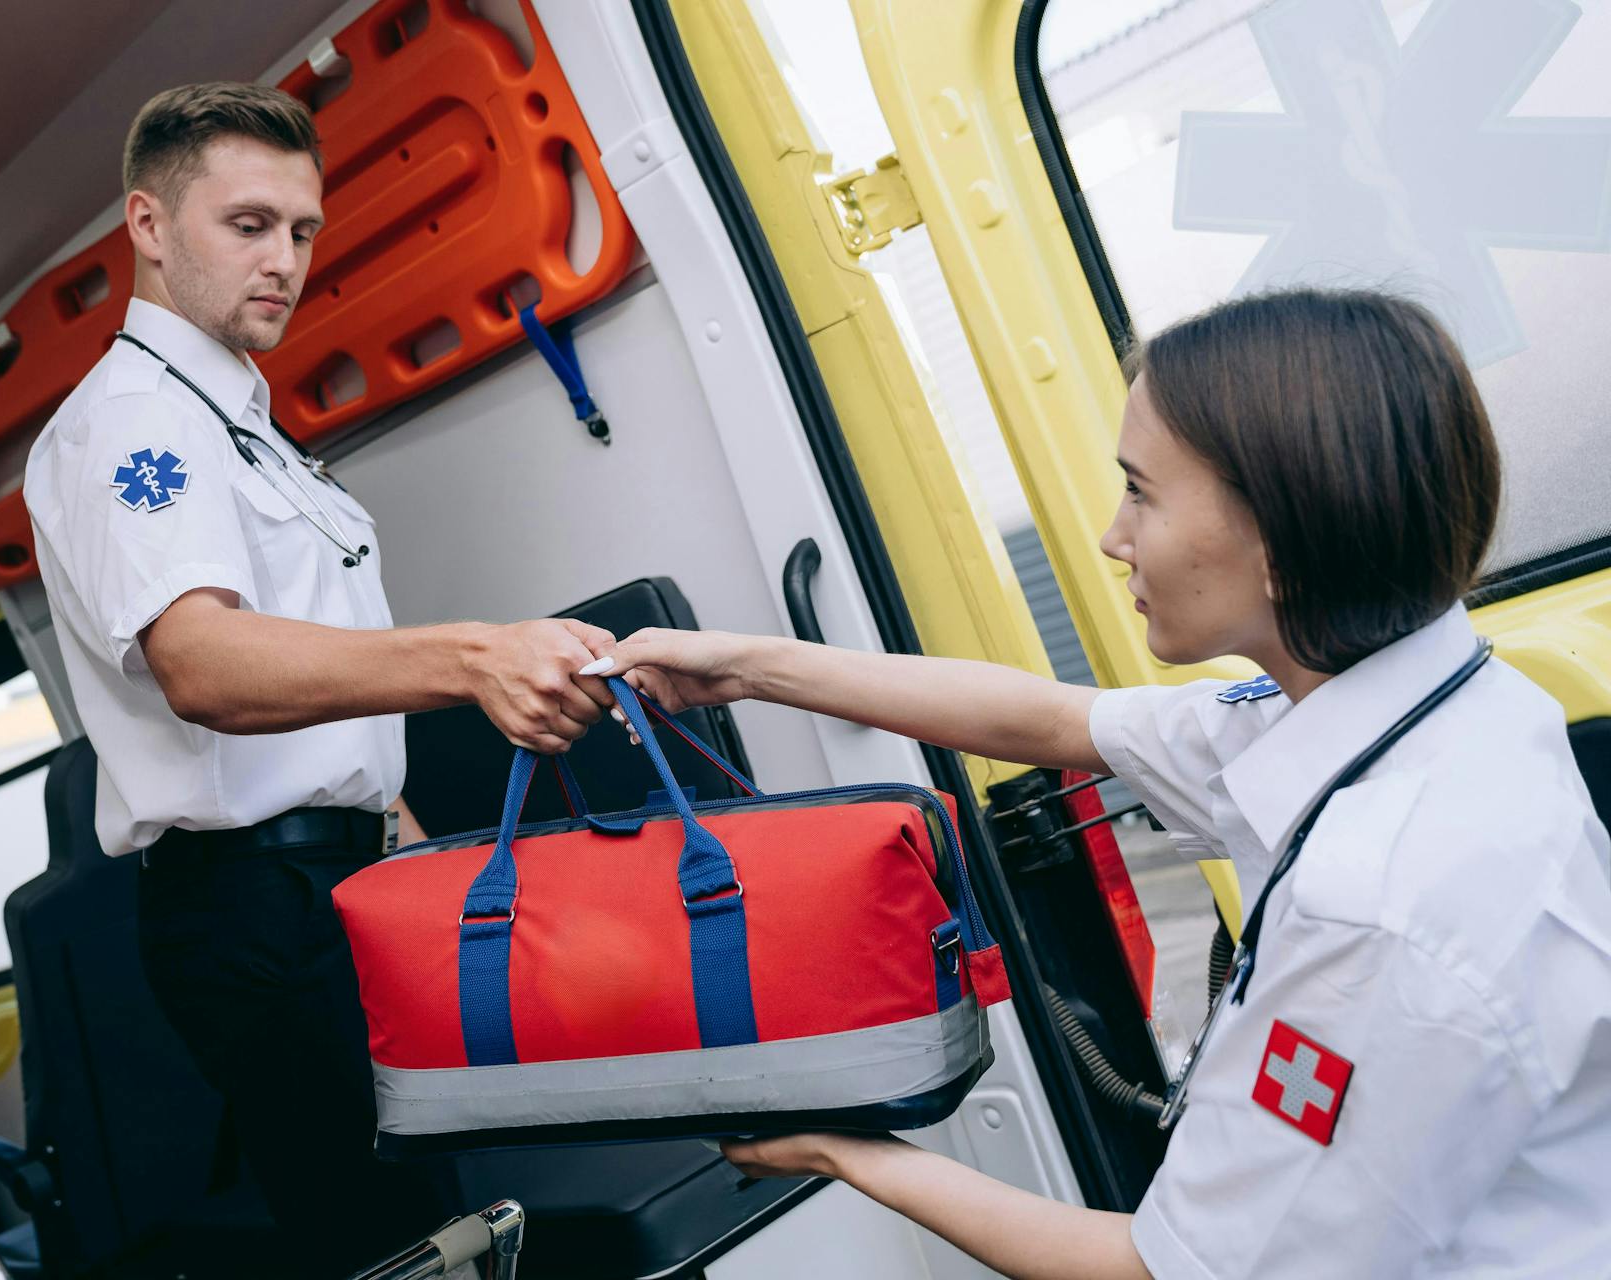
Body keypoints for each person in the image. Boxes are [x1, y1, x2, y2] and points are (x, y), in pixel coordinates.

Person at [590, 289, 1611, 1277]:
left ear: (1283, 540)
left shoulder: (1382, 913)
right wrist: (746, 667)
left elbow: (1157, 1269)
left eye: (1140, 491)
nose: (1111, 535)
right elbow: (1048, 717)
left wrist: (844, 1147)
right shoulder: (1420, 696)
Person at [21, 82, 616, 1274]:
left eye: (303, 230)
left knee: (436, 1230)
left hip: (335, 877)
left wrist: (394, 825)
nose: (284, 259)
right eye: (248, 225)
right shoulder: (135, 422)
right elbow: (201, 661)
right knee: (388, 1242)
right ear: (147, 224)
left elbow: (307, 681)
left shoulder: (240, 421)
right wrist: (472, 655)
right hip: (250, 905)